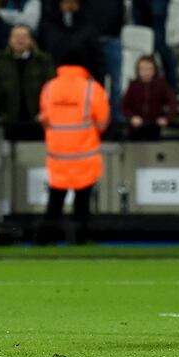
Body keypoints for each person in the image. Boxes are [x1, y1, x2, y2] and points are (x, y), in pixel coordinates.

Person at [38, 49, 110, 244]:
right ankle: (81, 239)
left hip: (58, 155)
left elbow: (44, 118)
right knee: (82, 202)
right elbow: (103, 121)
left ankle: (45, 239)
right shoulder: (91, 88)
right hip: (84, 155)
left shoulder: (50, 87)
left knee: (55, 201)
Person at [121, 55, 178, 141]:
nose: (145, 72)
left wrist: (166, 118)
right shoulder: (133, 85)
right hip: (136, 128)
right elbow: (124, 105)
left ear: (154, 70)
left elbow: (173, 102)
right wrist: (131, 117)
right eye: (142, 69)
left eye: (148, 69)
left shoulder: (161, 85)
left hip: (154, 126)